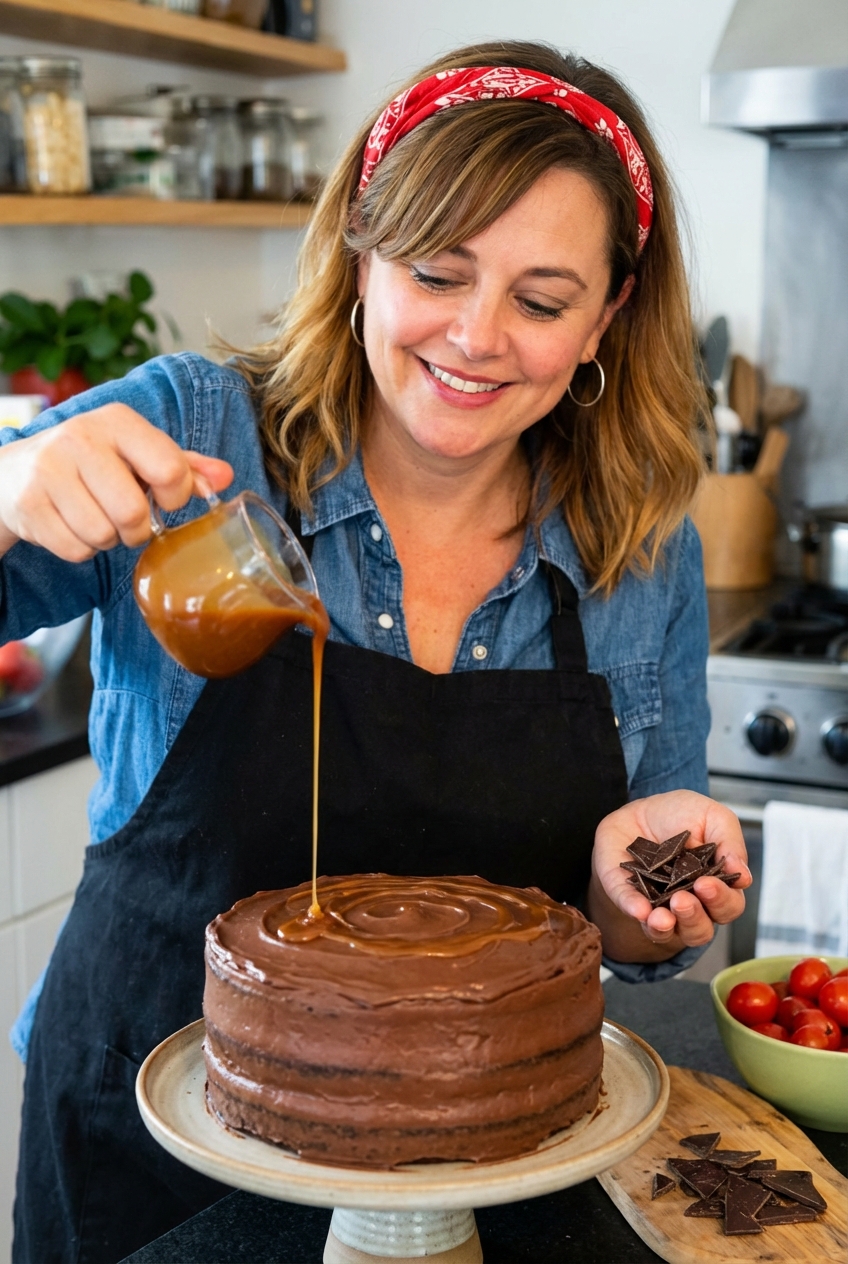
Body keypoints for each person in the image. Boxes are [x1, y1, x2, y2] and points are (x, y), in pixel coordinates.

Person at [1, 40, 750, 1264]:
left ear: (608, 310)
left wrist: (642, 902)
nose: (475, 336)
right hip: (145, 1147)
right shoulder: (195, 431)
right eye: (435, 271)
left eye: (541, 299)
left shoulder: (636, 547)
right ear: (360, 255)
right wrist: (11, 479)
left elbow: (636, 913)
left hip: (488, 1173)